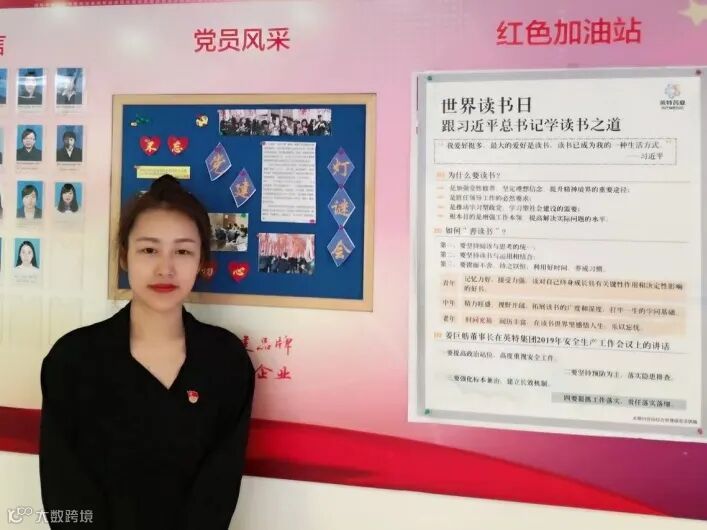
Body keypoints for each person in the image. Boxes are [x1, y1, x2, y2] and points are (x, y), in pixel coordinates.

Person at [39, 175, 255, 529]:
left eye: (183, 251)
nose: (165, 268)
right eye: (149, 250)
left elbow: (217, 494)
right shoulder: (72, 360)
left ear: (201, 261)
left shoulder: (226, 362)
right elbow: (64, 492)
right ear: (125, 256)